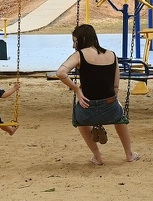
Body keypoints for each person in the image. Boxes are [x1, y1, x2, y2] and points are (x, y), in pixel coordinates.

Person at [56, 24, 140, 165]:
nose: (73, 45)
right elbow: (115, 86)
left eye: (74, 41)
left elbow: (60, 73)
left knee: (79, 120)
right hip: (110, 108)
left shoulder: (79, 55)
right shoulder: (112, 55)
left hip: (86, 110)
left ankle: (97, 157)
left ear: (82, 39)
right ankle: (129, 154)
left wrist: (77, 89)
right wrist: (110, 102)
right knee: (120, 118)